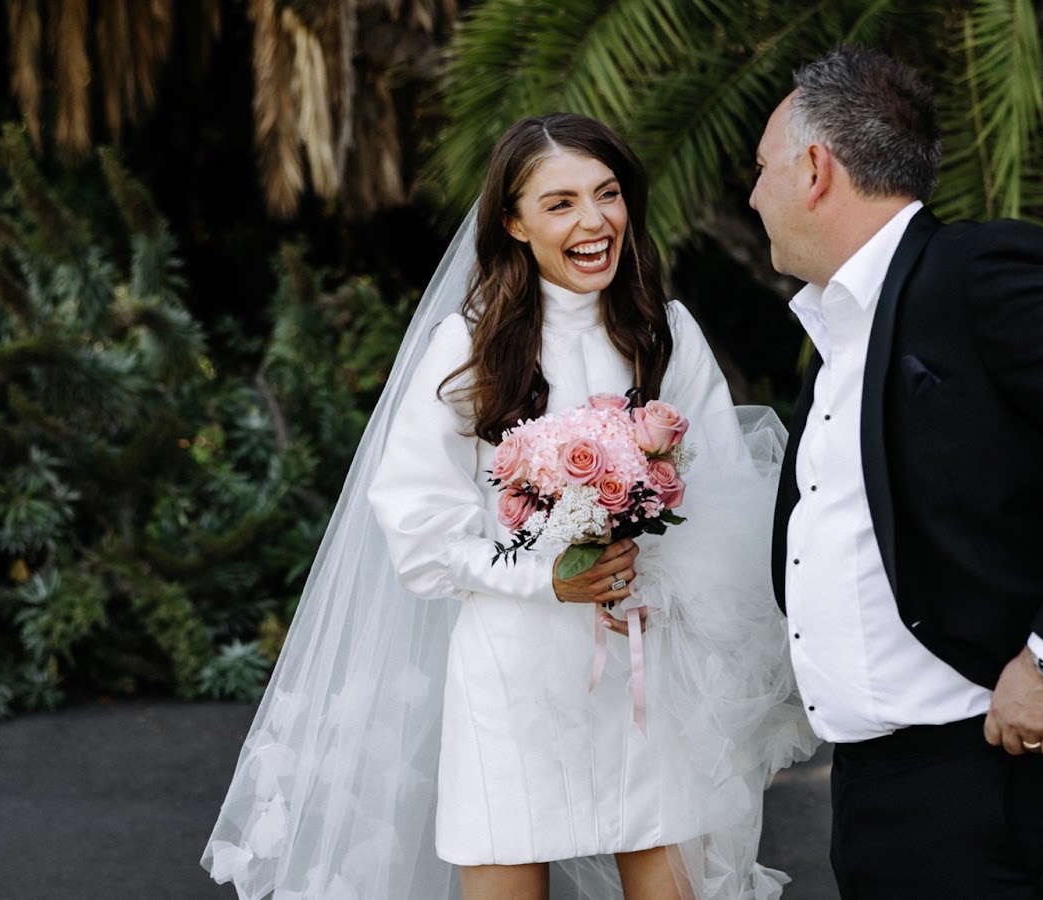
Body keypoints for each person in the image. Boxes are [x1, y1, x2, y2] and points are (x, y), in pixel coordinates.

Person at [204, 113, 814, 900]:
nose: (594, 221)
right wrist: (547, 576)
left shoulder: (667, 335)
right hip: (514, 679)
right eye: (560, 204)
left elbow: (725, 502)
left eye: (608, 194)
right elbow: (421, 537)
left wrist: (656, 577)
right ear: (513, 223)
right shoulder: (467, 350)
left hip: (647, 676)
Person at [751, 46, 1043, 898]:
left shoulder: (972, 274)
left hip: (985, 777)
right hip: (875, 785)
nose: (753, 197)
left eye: (761, 170)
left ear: (816, 169)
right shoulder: (840, 328)